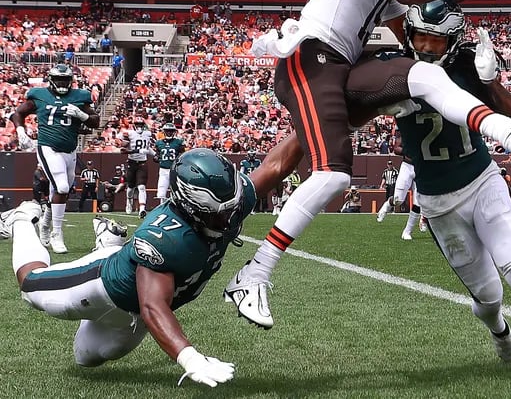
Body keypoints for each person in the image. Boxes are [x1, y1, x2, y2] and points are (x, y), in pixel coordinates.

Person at [226, 0, 511, 327]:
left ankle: (510, 132)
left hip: (339, 67)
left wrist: (457, 23)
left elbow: (416, 34)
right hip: (311, 58)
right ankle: (255, 272)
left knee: (423, 77)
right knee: (332, 174)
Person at [0, 137, 302, 387]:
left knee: (87, 358)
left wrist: (314, 122)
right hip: (106, 285)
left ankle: (109, 242)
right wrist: (189, 358)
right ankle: (21, 219)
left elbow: (275, 165)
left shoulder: (230, 199)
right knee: (31, 286)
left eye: (232, 207)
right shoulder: (165, 236)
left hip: (136, 308)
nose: (229, 218)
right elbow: (153, 306)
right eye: (217, 213)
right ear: (190, 205)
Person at [390, 0, 511, 390]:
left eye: (437, 42)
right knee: (488, 298)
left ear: (454, 41)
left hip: (481, 180)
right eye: (420, 38)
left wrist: (489, 82)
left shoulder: (466, 64)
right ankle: (501, 331)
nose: (426, 48)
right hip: (439, 203)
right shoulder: (392, 70)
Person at [12, 64, 100, 253]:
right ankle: (56, 234)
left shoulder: (80, 96)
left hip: (70, 150)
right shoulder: (39, 95)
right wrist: (21, 131)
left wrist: (81, 114)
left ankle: (45, 222)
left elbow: (95, 121)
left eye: (66, 80)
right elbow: (18, 113)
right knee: (61, 187)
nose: (62, 83)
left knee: (64, 190)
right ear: (51, 79)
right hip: (48, 147)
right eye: (59, 80)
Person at [120, 116, 153, 218]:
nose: (139, 127)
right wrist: (136, 151)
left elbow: (148, 148)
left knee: (142, 186)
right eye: (137, 125)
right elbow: (122, 150)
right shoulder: (129, 133)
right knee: (130, 187)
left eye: (141, 125)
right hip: (132, 162)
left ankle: (142, 209)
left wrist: (155, 154)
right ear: (134, 125)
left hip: (142, 163)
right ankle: (129, 201)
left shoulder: (148, 134)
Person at [153, 122, 185, 204]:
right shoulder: (159, 143)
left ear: (174, 132)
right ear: (164, 131)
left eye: (171, 131)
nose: (169, 133)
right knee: (161, 190)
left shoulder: (178, 142)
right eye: (167, 131)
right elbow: (157, 155)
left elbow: (182, 156)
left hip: (174, 169)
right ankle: (161, 207)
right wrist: (156, 158)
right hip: (163, 169)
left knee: (175, 189)